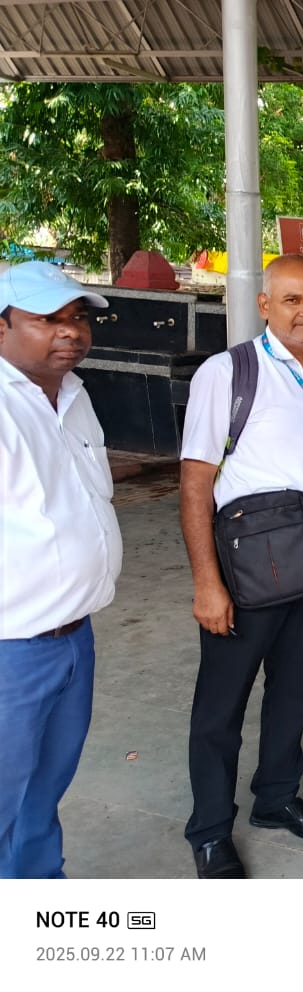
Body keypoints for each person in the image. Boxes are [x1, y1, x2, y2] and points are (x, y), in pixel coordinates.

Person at [179, 254, 303, 879]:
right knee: (223, 703)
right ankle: (211, 830)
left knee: (294, 686)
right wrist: (207, 583)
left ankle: (275, 797)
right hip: (249, 564)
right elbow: (196, 481)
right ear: (265, 305)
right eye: (292, 299)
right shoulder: (229, 372)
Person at [0, 262, 121, 878]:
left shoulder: (74, 396)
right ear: (1, 327)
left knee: (43, 791)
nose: (70, 331)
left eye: (76, 318)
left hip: (73, 636)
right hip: (12, 649)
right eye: (47, 319)